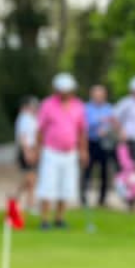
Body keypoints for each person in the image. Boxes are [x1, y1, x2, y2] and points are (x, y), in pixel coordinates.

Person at [35, 72, 88, 230]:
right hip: (51, 151)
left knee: (66, 186)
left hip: (70, 152)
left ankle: (59, 218)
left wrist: (84, 150)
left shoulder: (78, 105)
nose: (65, 93)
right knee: (48, 186)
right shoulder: (47, 104)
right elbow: (40, 130)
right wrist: (37, 149)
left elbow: (81, 131)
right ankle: (44, 219)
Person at [83, 84, 116, 206]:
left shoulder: (109, 108)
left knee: (104, 171)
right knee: (87, 169)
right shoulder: (86, 108)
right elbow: (85, 124)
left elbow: (112, 122)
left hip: (104, 143)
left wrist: (106, 128)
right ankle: (84, 197)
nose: (98, 97)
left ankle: (102, 199)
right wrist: (100, 121)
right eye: (96, 95)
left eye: (101, 95)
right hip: (90, 141)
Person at [14, 96, 40, 213]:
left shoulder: (31, 118)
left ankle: (19, 199)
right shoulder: (24, 118)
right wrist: (27, 152)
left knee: (31, 179)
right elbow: (23, 136)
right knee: (30, 178)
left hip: (32, 149)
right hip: (27, 150)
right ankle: (28, 202)